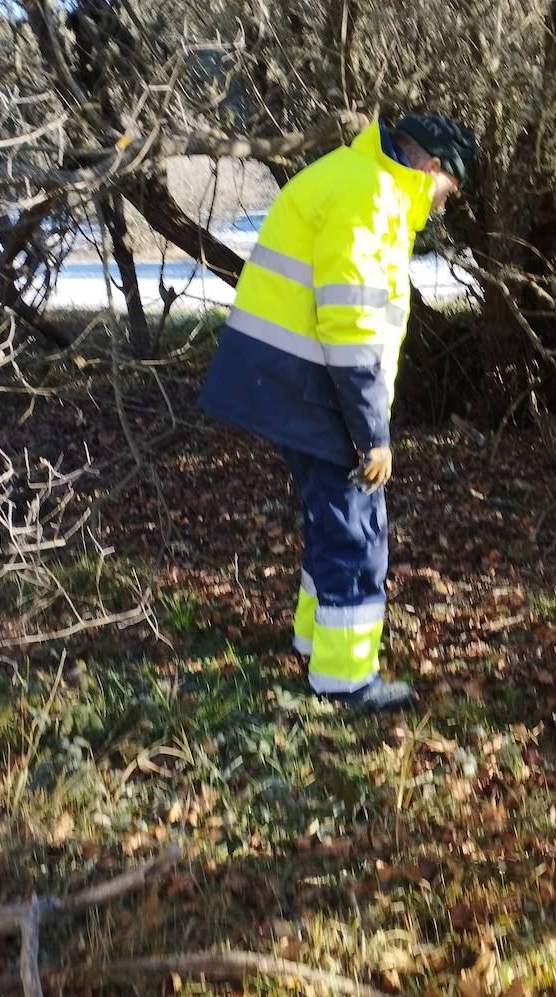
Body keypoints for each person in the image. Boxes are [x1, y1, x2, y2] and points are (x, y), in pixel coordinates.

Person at [198, 113, 476, 711]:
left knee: (333, 520)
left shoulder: (356, 179)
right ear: (432, 169)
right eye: (448, 190)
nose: (443, 204)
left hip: (290, 379)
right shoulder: (370, 198)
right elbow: (351, 330)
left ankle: (311, 641)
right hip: (313, 386)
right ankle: (345, 683)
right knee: (357, 530)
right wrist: (373, 435)